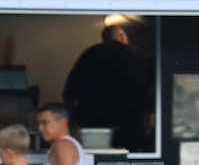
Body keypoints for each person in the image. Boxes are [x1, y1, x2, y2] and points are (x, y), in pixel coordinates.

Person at [61, 20, 155, 151]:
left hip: (94, 125)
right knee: (131, 159)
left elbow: (69, 94)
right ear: (122, 36)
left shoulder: (90, 54)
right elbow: (156, 91)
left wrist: (70, 124)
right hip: (131, 124)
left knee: (97, 160)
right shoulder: (142, 57)